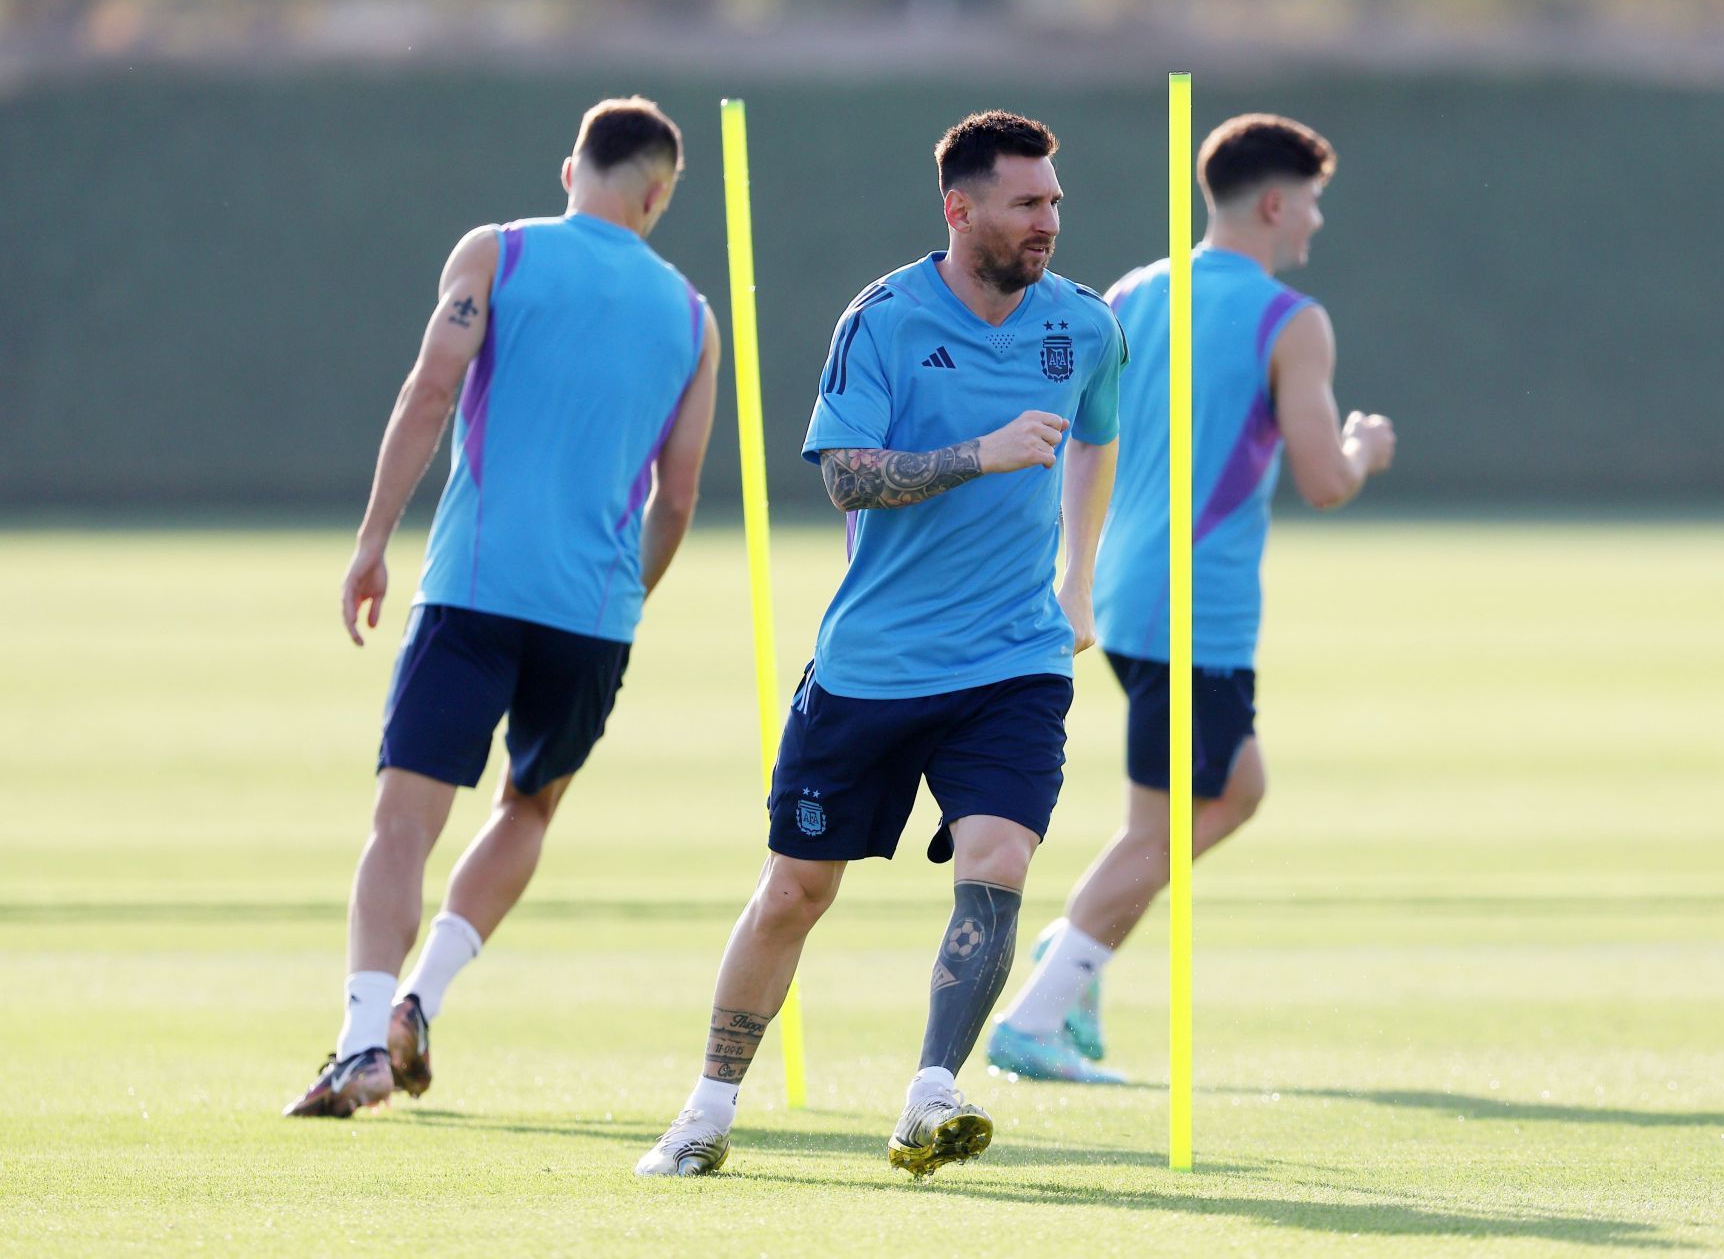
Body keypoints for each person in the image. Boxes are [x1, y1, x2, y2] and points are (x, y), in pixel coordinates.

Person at [634, 110, 1124, 1177]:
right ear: (961, 209)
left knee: (999, 861)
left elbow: (1097, 434)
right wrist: (979, 454)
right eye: (1027, 202)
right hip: (876, 665)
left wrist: (1078, 576)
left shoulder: (1084, 327)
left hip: (1015, 660)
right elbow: (847, 472)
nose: (1049, 220)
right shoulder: (885, 320)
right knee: (795, 893)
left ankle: (931, 1093)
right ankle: (706, 1113)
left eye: (1055, 201)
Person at [283, 96, 720, 1117]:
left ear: (572, 171)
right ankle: (423, 1000)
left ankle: (361, 1042)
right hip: (594, 617)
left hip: (476, 593)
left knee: (403, 822)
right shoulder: (693, 317)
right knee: (528, 807)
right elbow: (681, 494)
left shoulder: (497, 253)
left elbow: (429, 392)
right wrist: (625, 599)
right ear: (658, 194)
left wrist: (371, 541)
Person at [988, 113, 1396, 1082]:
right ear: (1272, 202)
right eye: (1311, 203)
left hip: (1132, 595)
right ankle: (1042, 1008)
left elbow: (1090, 442)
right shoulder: (1291, 322)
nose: (1316, 224)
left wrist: (1078, 576)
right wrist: (1364, 449)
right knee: (1166, 821)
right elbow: (1326, 480)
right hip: (1194, 609)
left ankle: (1074, 944)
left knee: (1235, 788)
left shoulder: (1135, 291)